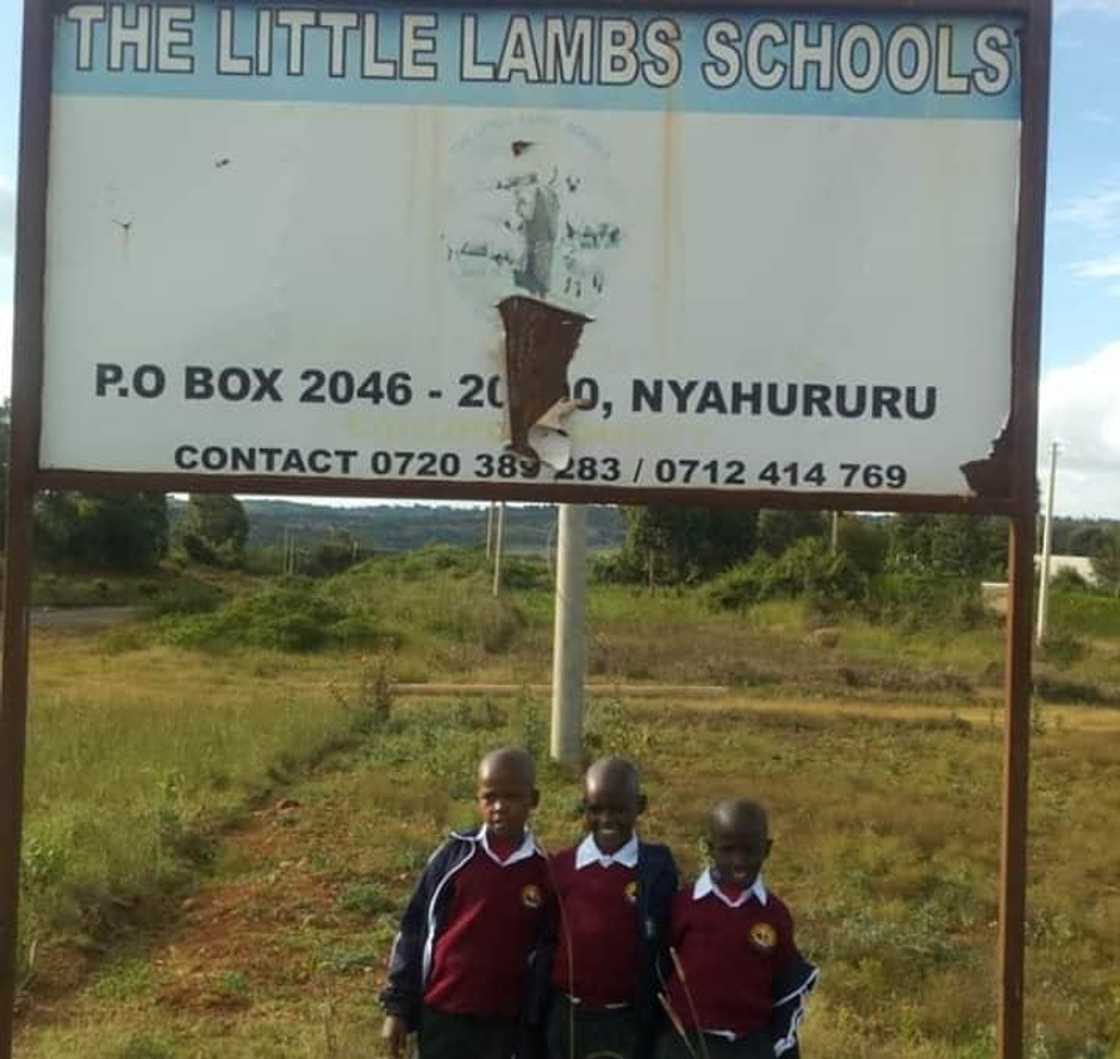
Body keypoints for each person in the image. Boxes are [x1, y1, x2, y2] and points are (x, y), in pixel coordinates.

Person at [380, 746, 552, 1059]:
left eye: (512, 797)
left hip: (504, 1025)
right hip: (444, 1014)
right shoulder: (454, 857)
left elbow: (547, 950)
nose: (499, 807)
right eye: (489, 797)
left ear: (534, 799)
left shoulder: (544, 871)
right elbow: (413, 929)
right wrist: (397, 1008)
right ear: (478, 799)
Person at [656, 799, 817, 1059]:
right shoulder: (683, 905)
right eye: (728, 850)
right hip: (686, 1043)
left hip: (750, 1045)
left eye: (749, 850)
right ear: (710, 849)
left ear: (766, 849)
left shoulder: (774, 914)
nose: (739, 861)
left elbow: (784, 983)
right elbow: (660, 967)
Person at [542, 756, 679, 1059]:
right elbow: (547, 939)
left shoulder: (656, 869)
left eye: (618, 810)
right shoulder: (561, 867)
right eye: (596, 809)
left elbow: (664, 939)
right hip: (567, 1016)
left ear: (640, 805)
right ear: (584, 806)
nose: (606, 819)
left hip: (626, 1020)